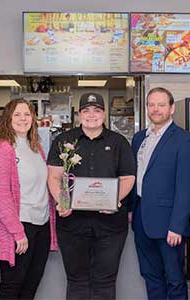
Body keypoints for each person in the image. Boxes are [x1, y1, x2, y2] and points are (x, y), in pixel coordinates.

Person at [47, 93, 136, 300]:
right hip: (72, 224)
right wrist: (62, 201)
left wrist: (114, 200)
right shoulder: (63, 141)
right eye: (86, 110)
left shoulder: (119, 142)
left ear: (104, 113)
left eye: (96, 110)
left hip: (111, 226)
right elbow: (54, 177)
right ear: (79, 114)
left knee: (105, 282)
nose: (91, 115)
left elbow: (128, 178)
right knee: (76, 280)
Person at [129, 87, 190, 299]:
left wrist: (177, 226)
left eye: (161, 105)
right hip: (141, 218)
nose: (156, 109)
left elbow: (187, 187)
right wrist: (130, 209)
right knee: (151, 276)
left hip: (169, 224)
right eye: (151, 105)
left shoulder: (185, 139)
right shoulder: (139, 138)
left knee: (175, 279)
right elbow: (136, 177)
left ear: (171, 108)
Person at [0, 98, 58, 300]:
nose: (23, 119)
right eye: (17, 114)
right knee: (12, 287)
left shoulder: (36, 147)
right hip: (19, 228)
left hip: (41, 225)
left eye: (27, 114)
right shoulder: (2, 148)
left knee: (30, 287)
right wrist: (18, 233)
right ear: (8, 118)